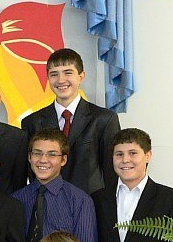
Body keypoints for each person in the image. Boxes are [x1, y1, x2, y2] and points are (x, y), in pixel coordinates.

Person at [21, 48, 121, 195]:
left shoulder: (104, 119)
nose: (61, 80)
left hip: (91, 204)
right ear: (48, 78)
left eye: (68, 73)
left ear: (81, 76)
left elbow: (111, 172)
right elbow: (31, 173)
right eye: (54, 74)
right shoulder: (32, 122)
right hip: (46, 202)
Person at [13, 129, 98, 242]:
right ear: (29, 157)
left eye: (52, 154)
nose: (43, 160)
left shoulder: (79, 200)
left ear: (63, 160)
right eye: (37, 153)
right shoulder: (16, 199)